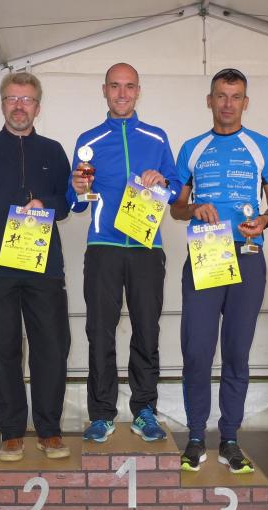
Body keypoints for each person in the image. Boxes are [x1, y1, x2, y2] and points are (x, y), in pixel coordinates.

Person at [171, 68, 268, 473]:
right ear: (209, 100)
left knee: (237, 351)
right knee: (197, 351)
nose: (227, 104)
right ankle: (195, 437)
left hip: (248, 255)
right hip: (206, 251)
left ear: (245, 103)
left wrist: (264, 221)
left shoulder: (262, 146)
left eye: (235, 97)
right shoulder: (192, 148)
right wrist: (193, 209)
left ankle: (231, 439)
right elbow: (175, 208)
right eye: (221, 95)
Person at [0, 72, 71, 461]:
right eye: (12, 99)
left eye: (27, 100)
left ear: (38, 106)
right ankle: (12, 433)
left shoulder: (53, 151)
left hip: (44, 269)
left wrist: (46, 204)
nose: (20, 106)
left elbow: (66, 204)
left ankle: (49, 431)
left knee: (51, 349)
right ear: (2, 104)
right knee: (2, 350)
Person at [68, 63, 183, 443]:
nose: (122, 94)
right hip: (103, 247)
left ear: (138, 91)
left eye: (129, 86)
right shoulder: (89, 140)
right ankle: (101, 414)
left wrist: (163, 180)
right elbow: (76, 202)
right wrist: (77, 187)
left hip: (147, 248)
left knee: (147, 330)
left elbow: (176, 187)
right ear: (104, 90)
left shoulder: (156, 136)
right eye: (115, 86)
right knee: (100, 332)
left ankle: (144, 410)